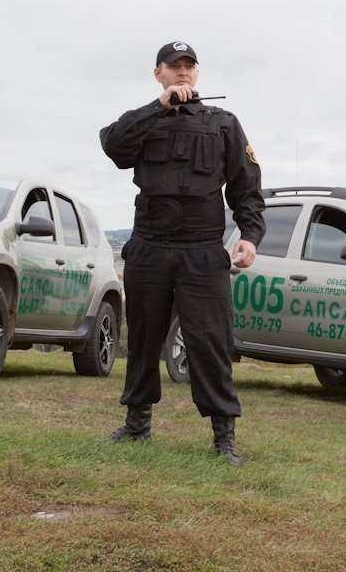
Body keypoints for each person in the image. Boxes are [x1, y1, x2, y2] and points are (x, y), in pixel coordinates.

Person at [99, 41, 265, 464]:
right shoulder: (143, 121)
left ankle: (223, 436)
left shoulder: (222, 123)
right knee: (143, 338)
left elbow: (246, 186)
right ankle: (137, 426)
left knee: (210, 343)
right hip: (150, 247)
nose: (183, 73)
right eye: (174, 67)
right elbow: (114, 147)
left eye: (189, 66)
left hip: (202, 251)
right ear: (159, 73)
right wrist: (159, 106)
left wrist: (250, 234)